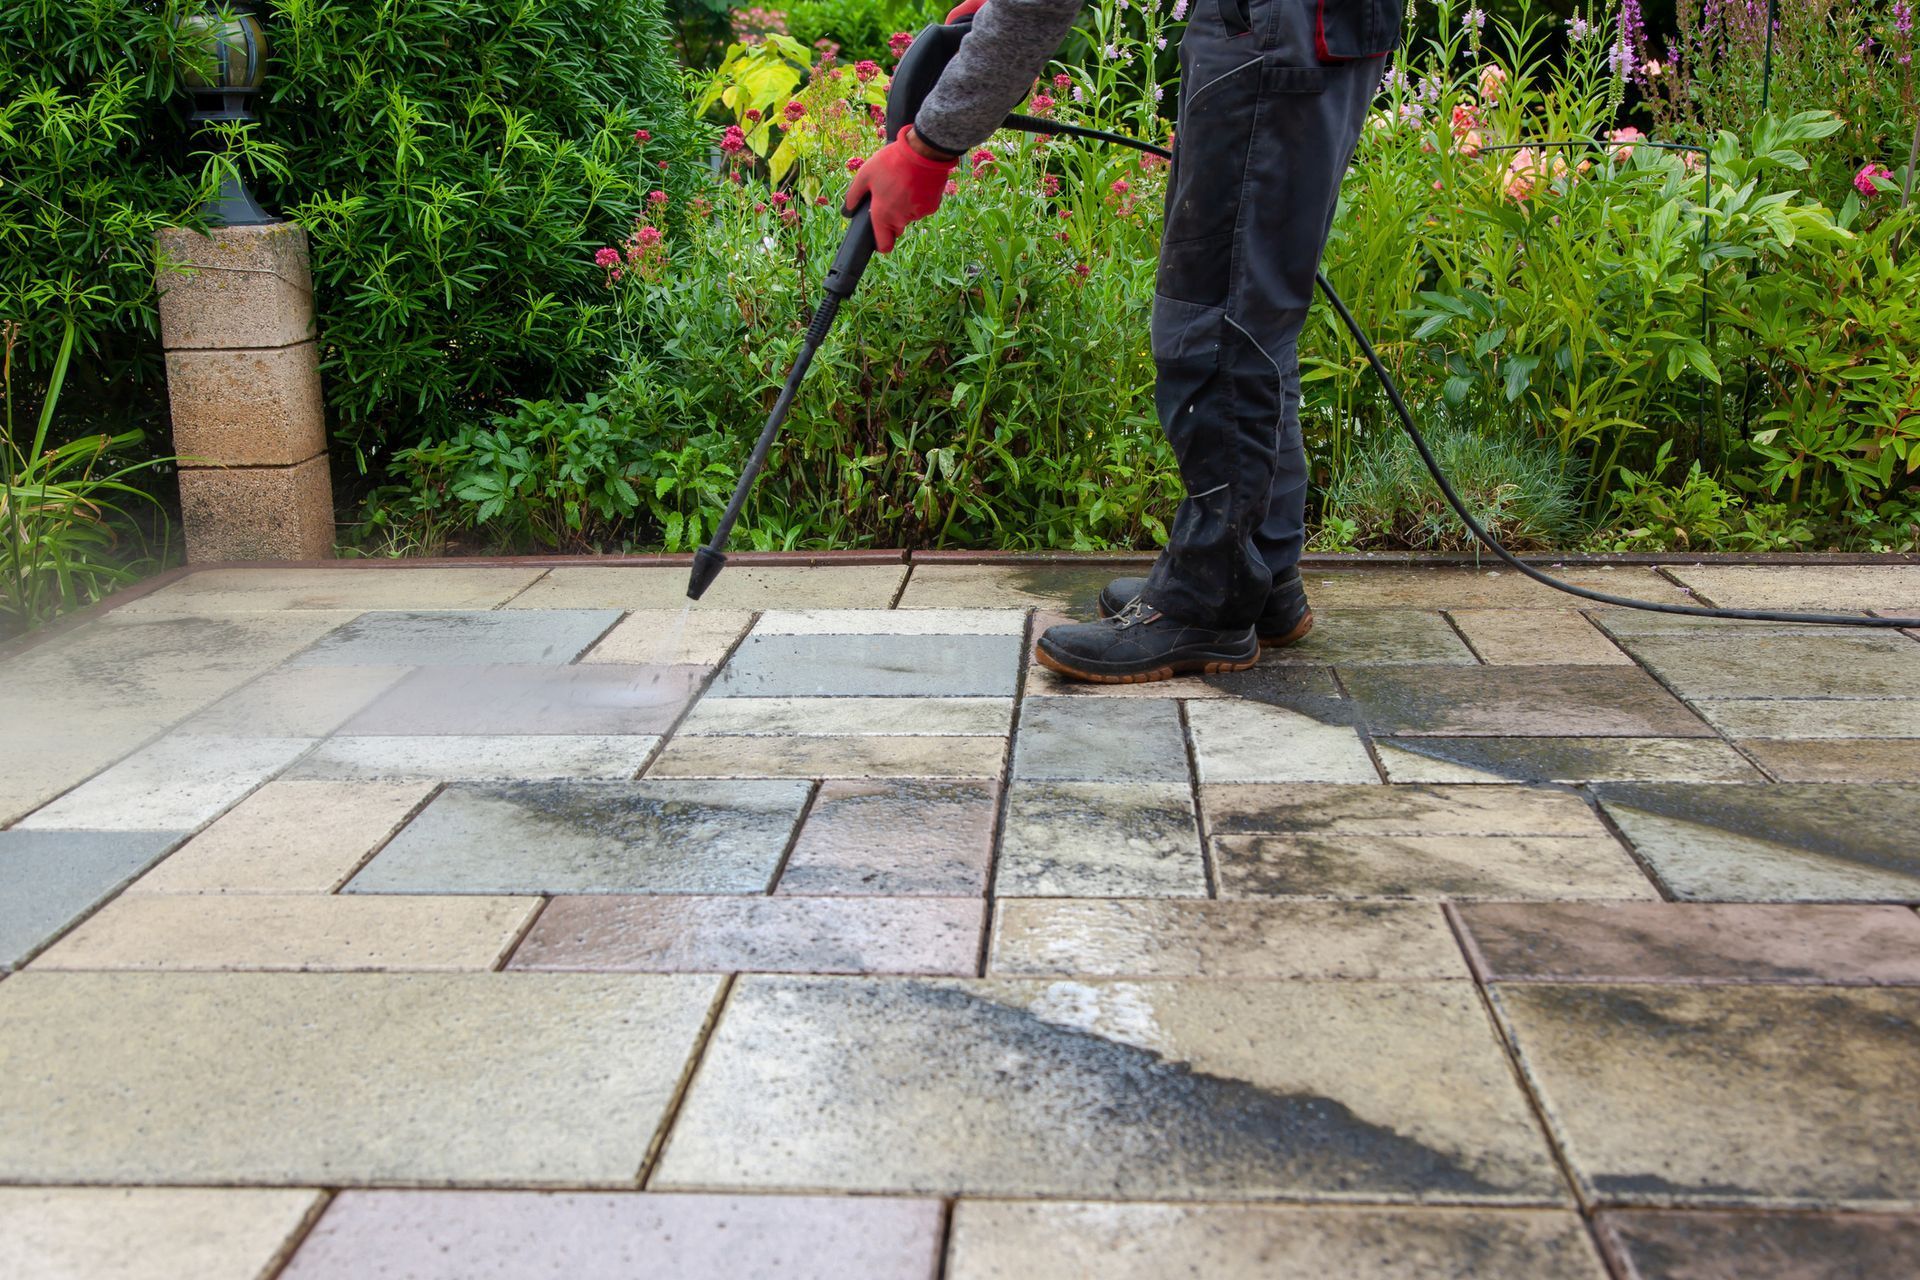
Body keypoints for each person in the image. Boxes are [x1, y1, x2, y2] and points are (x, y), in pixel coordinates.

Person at [846, 0, 1400, 683]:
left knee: (1212, 321)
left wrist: (928, 146)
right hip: (1308, 30)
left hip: (1271, 34)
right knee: (1253, 313)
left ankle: (1209, 599)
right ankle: (1261, 575)